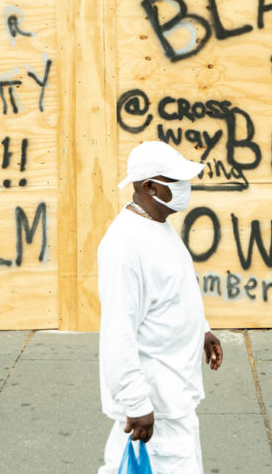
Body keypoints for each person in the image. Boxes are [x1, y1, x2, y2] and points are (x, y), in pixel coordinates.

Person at [97, 140, 223, 474]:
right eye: (176, 181)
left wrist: (202, 329)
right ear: (149, 186)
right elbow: (117, 331)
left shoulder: (157, 227)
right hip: (156, 402)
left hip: (173, 393)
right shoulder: (125, 246)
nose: (185, 188)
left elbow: (174, 289)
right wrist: (136, 401)